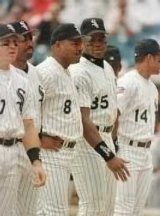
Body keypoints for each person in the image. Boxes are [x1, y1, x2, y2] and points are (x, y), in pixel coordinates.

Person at [70, 18, 130, 216]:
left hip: (105, 138)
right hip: (87, 142)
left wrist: (113, 146)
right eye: (92, 39)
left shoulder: (106, 67)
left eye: (101, 39)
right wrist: (108, 154)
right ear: (82, 41)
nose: (97, 43)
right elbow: (83, 120)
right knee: (92, 205)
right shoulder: (78, 71)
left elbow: (112, 113)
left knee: (106, 208)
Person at [36, 23, 83, 215]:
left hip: (66, 152)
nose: (80, 47)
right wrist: (39, 137)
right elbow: (27, 109)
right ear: (56, 45)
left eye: (80, 42)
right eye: (74, 43)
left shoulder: (65, 70)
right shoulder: (45, 72)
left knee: (52, 210)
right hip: (50, 153)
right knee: (54, 211)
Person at [0, 24, 46, 216]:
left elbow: (28, 124)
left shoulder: (22, 81)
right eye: (5, 43)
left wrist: (36, 161)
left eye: (14, 42)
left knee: (7, 211)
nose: (12, 46)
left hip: (12, 151)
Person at [114, 38, 160, 216]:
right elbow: (113, 115)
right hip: (128, 150)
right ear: (149, 57)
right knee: (123, 209)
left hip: (145, 152)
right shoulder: (128, 82)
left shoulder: (152, 87)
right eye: (158, 58)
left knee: (137, 210)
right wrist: (115, 148)